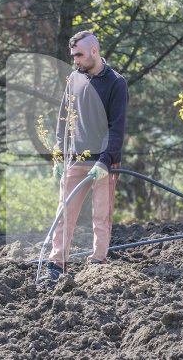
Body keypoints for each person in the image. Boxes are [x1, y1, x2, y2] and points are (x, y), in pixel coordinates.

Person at [40, 30, 129, 289]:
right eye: (73, 56)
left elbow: (117, 128)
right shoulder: (74, 79)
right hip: (75, 158)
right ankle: (56, 264)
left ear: (94, 51)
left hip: (104, 162)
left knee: (101, 215)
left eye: (79, 54)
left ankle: (97, 263)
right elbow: (62, 120)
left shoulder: (116, 83)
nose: (75, 60)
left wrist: (105, 161)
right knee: (64, 212)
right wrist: (59, 155)